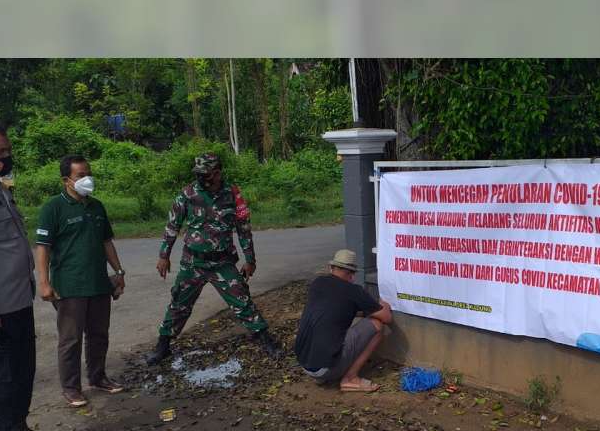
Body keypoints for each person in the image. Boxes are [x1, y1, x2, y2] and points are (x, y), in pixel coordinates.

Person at [0, 121, 59, 431]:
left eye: (8, 151)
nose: (7, 158)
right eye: (0, 153)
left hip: (16, 301)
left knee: (22, 371)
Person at [146, 153, 280, 365]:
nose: (201, 179)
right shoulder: (188, 194)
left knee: (242, 300)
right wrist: (164, 255)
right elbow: (172, 226)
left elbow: (244, 229)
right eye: (198, 175)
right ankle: (163, 345)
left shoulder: (232, 194)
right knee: (179, 303)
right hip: (193, 262)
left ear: (217, 173)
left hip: (222, 262)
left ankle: (264, 338)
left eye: (206, 175)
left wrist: (250, 260)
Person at [35, 154, 126, 407]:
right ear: (67, 180)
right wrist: (44, 282)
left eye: (88, 173)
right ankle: (71, 388)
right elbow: (42, 247)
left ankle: (98, 378)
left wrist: (119, 272)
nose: (87, 179)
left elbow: (106, 241)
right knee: (70, 339)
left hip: (98, 283)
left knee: (99, 334)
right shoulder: (53, 208)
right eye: (80, 175)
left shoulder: (96, 206)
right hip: (70, 285)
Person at [294, 249, 392, 393]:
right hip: (325, 369)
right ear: (352, 274)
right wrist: (384, 304)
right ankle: (350, 378)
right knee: (377, 326)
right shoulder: (354, 291)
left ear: (331, 268)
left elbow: (337, 307)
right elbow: (386, 317)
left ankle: (322, 375)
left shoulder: (317, 283)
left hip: (305, 363)